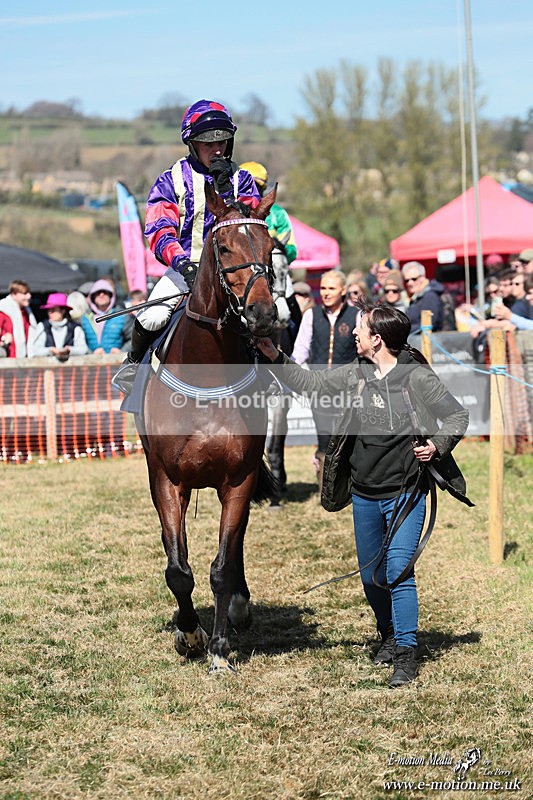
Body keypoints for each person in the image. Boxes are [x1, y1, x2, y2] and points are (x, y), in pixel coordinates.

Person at [256, 305, 469, 687]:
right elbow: (314, 386)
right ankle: (387, 633)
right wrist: (276, 357)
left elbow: (456, 416)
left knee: (398, 572)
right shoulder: (356, 373)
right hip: (364, 494)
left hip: (406, 492)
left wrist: (436, 445)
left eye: (360, 329)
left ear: (378, 339)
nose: (353, 334)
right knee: (372, 578)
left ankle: (406, 653)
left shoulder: (415, 377)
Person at [114, 99, 261, 393]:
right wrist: (183, 265)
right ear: (192, 144)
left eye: (221, 142)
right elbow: (159, 230)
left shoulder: (242, 180)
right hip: (184, 267)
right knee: (152, 315)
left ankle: (267, 378)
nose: (216, 149)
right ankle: (132, 366)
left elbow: (250, 227)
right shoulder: (170, 180)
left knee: (260, 315)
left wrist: (226, 192)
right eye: (207, 143)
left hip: (233, 270)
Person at [239, 161, 302, 507]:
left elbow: (290, 251)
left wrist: (271, 242)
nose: (258, 190)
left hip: (272, 271)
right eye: (254, 184)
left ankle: (288, 364)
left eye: (261, 185)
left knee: (291, 313)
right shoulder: (230, 208)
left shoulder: (276, 213)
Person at [291, 269, 358, 490]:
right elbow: (301, 349)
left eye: (331, 288)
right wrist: (289, 372)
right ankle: (326, 488)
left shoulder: (356, 315)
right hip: (318, 388)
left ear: (343, 290)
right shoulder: (311, 315)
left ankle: (349, 485)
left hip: (348, 388)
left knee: (348, 437)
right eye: (323, 288)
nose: (326, 293)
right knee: (324, 438)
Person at [29, 292, 88, 360]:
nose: (50, 312)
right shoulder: (42, 326)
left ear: (63, 311)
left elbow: (83, 349)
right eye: (48, 309)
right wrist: (50, 350)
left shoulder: (75, 328)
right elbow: (36, 350)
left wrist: (70, 350)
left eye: (53, 310)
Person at [81, 278, 128, 354]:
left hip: (117, 362)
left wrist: (122, 351)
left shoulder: (122, 315)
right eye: (98, 292)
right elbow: (80, 342)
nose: (101, 295)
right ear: (93, 296)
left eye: (105, 292)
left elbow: (133, 340)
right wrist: (90, 353)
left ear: (110, 296)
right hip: (91, 363)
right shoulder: (85, 318)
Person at [401, 261, 444, 332]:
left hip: (429, 340)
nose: (410, 283)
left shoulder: (430, 296)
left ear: (422, 277)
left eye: (414, 279)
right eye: (406, 280)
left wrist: (403, 330)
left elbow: (428, 325)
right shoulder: (412, 297)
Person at [0, 279, 37, 357]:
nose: (29, 296)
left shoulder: (27, 312)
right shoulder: (2, 311)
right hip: (8, 360)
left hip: (25, 359)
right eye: (25, 293)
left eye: (29, 293)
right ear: (14, 294)